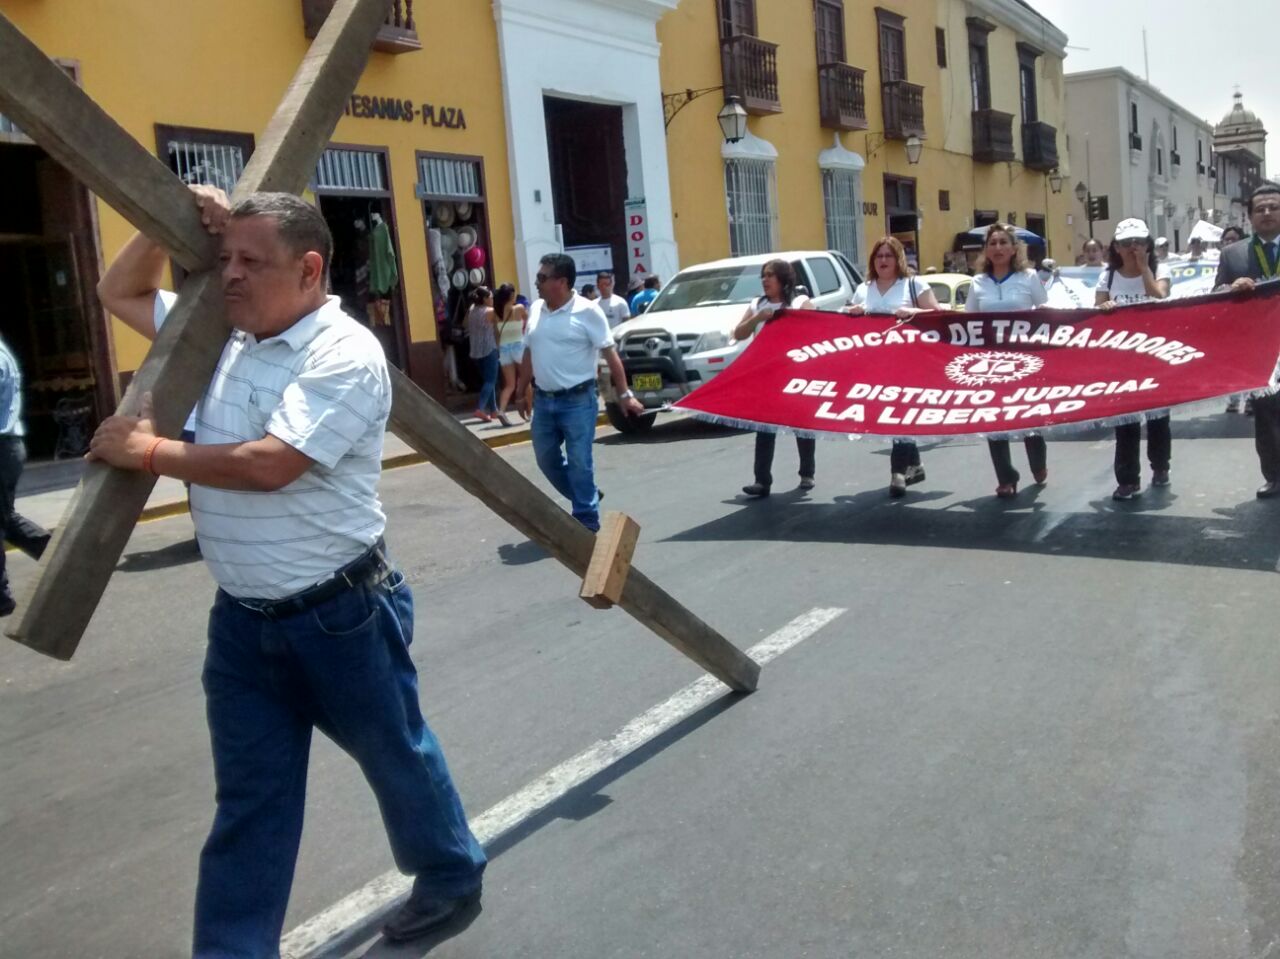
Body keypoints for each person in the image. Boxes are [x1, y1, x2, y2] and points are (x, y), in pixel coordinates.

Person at [92, 187, 487, 956]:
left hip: (342, 611)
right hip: (242, 620)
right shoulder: (219, 331)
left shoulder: (343, 353)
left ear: (309, 270)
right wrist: (167, 219)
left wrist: (148, 451)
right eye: (223, 257)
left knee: (394, 753)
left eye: (249, 261)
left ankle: (449, 872)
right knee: (250, 801)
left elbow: (272, 464)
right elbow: (121, 290)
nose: (227, 273)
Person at [516, 253, 642, 531]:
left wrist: (624, 394)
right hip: (544, 401)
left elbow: (611, 355)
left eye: (542, 277)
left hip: (578, 401)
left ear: (561, 282)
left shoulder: (588, 311)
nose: (536, 283)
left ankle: (587, 520)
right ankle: (586, 495)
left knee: (579, 462)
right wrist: (520, 389)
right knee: (546, 459)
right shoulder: (536, 308)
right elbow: (529, 352)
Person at [843, 236, 941, 497]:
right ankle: (916, 464)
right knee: (895, 414)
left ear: (897, 259)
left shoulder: (913, 284)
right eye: (878, 256)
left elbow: (938, 313)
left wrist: (913, 313)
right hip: (878, 362)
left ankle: (897, 472)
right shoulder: (864, 288)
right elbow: (855, 322)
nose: (883, 260)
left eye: (888, 255)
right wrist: (855, 312)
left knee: (901, 413)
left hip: (910, 360)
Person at [965, 223, 1050, 498]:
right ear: (986, 250)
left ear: (1014, 248)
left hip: (1026, 359)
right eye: (993, 243)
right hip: (990, 363)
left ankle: (1038, 462)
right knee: (996, 418)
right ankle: (1006, 477)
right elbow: (967, 322)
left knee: (1029, 415)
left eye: (1003, 243)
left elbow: (1044, 311)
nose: (998, 248)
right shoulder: (977, 282)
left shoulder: (1028, 277)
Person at [1095, 218, 1172, 500]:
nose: (1132, 248)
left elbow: (1160, 298)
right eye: (1126, 244)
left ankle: (1160, 465)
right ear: (1116, 247)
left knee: (1157, 418)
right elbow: (1096, 311)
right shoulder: (1108, 276)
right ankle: (1127, 479)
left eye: (1138, 243)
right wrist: (1104, 307)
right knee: (1125, 421)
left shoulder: (1160, 269)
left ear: (1148, 245)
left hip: (1154, 356)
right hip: (1121, 360)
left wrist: (1143, 270)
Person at [1215, 182, 1280, 496]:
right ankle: (1274, 477)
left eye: (1273, 207)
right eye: (1260, 209)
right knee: (1266, 417)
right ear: (1250, 217)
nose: (1267, 213)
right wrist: (1231, 289)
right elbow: (1214, 297)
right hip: (1260, 352)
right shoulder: (1233, 254)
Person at [732, 259, 816, 497]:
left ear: (783, 279)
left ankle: (807, 472)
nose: (765, 280)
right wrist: (758, 318)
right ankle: (762, 480)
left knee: (802, 424)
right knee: (764, 427)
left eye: (770, 275)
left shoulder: (800, 303)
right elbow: (738, 333)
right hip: (766, 376)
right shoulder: (758, 304)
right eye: (763, 275)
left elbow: (817, 332)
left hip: (795, 373)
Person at [0, 335, 51, 615]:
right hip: (6, 445)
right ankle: (57, 557)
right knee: (4, 517)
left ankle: (1, 597)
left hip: (2, 445)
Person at [494, 283, 529, 423]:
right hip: (518, 346)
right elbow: (528, 320)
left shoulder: (495, 312)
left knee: (509, 385)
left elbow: (496, 334)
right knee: (525, 380)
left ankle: (501, 410)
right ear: (510, 296)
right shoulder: (518, 308)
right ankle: (529, 412)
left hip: (504, 348)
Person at [466, 286, 501, 424]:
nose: (492, 299)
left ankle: (493, 410)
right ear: (485, 299)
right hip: (489, 348)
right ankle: (480, 408)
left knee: (487, 380)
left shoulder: (471, 311)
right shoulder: (490, 311)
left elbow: (464, 324)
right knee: (491, 380)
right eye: (491, 297)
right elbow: (498, 330)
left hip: (476, 350)